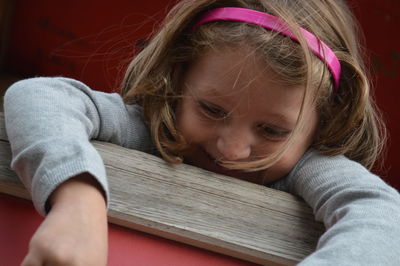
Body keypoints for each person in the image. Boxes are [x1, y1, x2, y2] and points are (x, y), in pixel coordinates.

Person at [4, 0, 400, 265]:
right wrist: (77, 202)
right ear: (176, 79)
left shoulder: (307, 169)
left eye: (272, 130)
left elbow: (384, 214)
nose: (232, 148)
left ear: (321, 124)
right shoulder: (144, 128)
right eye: (211, 109)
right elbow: (40, 95)